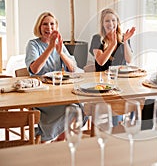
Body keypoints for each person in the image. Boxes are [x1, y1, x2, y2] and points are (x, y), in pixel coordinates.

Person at [25, 11, 85, 142]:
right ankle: (51, 138)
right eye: (45, 24)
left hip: (58, 92)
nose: (49, 27)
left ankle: (58, 141)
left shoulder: (59, 43)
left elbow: (73, 68)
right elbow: (34, 70)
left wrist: (60, 52)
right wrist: (50, 48)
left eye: (52, 24)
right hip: (40, 94)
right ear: (39, 27)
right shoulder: (33, 44)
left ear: (56, 26)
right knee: (72, 108)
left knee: (79, 105)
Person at [89, 8, 136, 126]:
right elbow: (100, 61)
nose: (111, 24)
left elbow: (129, 60)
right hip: (103, 82)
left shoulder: (124, 37)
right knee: (115, 103)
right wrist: (113, 45)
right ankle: (115, 127)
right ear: (102, 24)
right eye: (107, 21)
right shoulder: (97, 38)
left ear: (117, 22)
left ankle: (124, 126)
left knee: (137, 100)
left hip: (121, 81)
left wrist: (125, 42)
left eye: (113, 20)